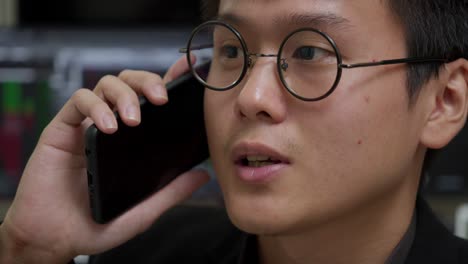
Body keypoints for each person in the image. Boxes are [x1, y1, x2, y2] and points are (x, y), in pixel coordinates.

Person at [1, 0, 468, 263]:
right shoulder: (143, 257)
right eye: (232, 52)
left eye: (308, 53)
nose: (250, 97)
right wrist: (27, 250)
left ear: (443, 102)